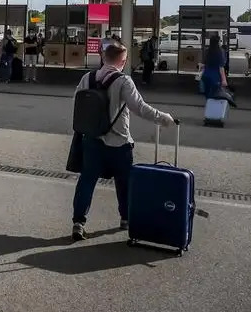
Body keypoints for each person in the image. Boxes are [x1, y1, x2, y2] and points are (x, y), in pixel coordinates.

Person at [71, 42, 175, 241]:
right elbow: (139, 108)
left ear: (104, 57)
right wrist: (164, 118)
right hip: (119, 142)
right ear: (123, 61)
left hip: (92, 140)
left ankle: (78, 222)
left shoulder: (87, 78)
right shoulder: (123, 81)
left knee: (87, 181)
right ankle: (126, 218)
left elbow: (78, 103)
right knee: (124, 182)